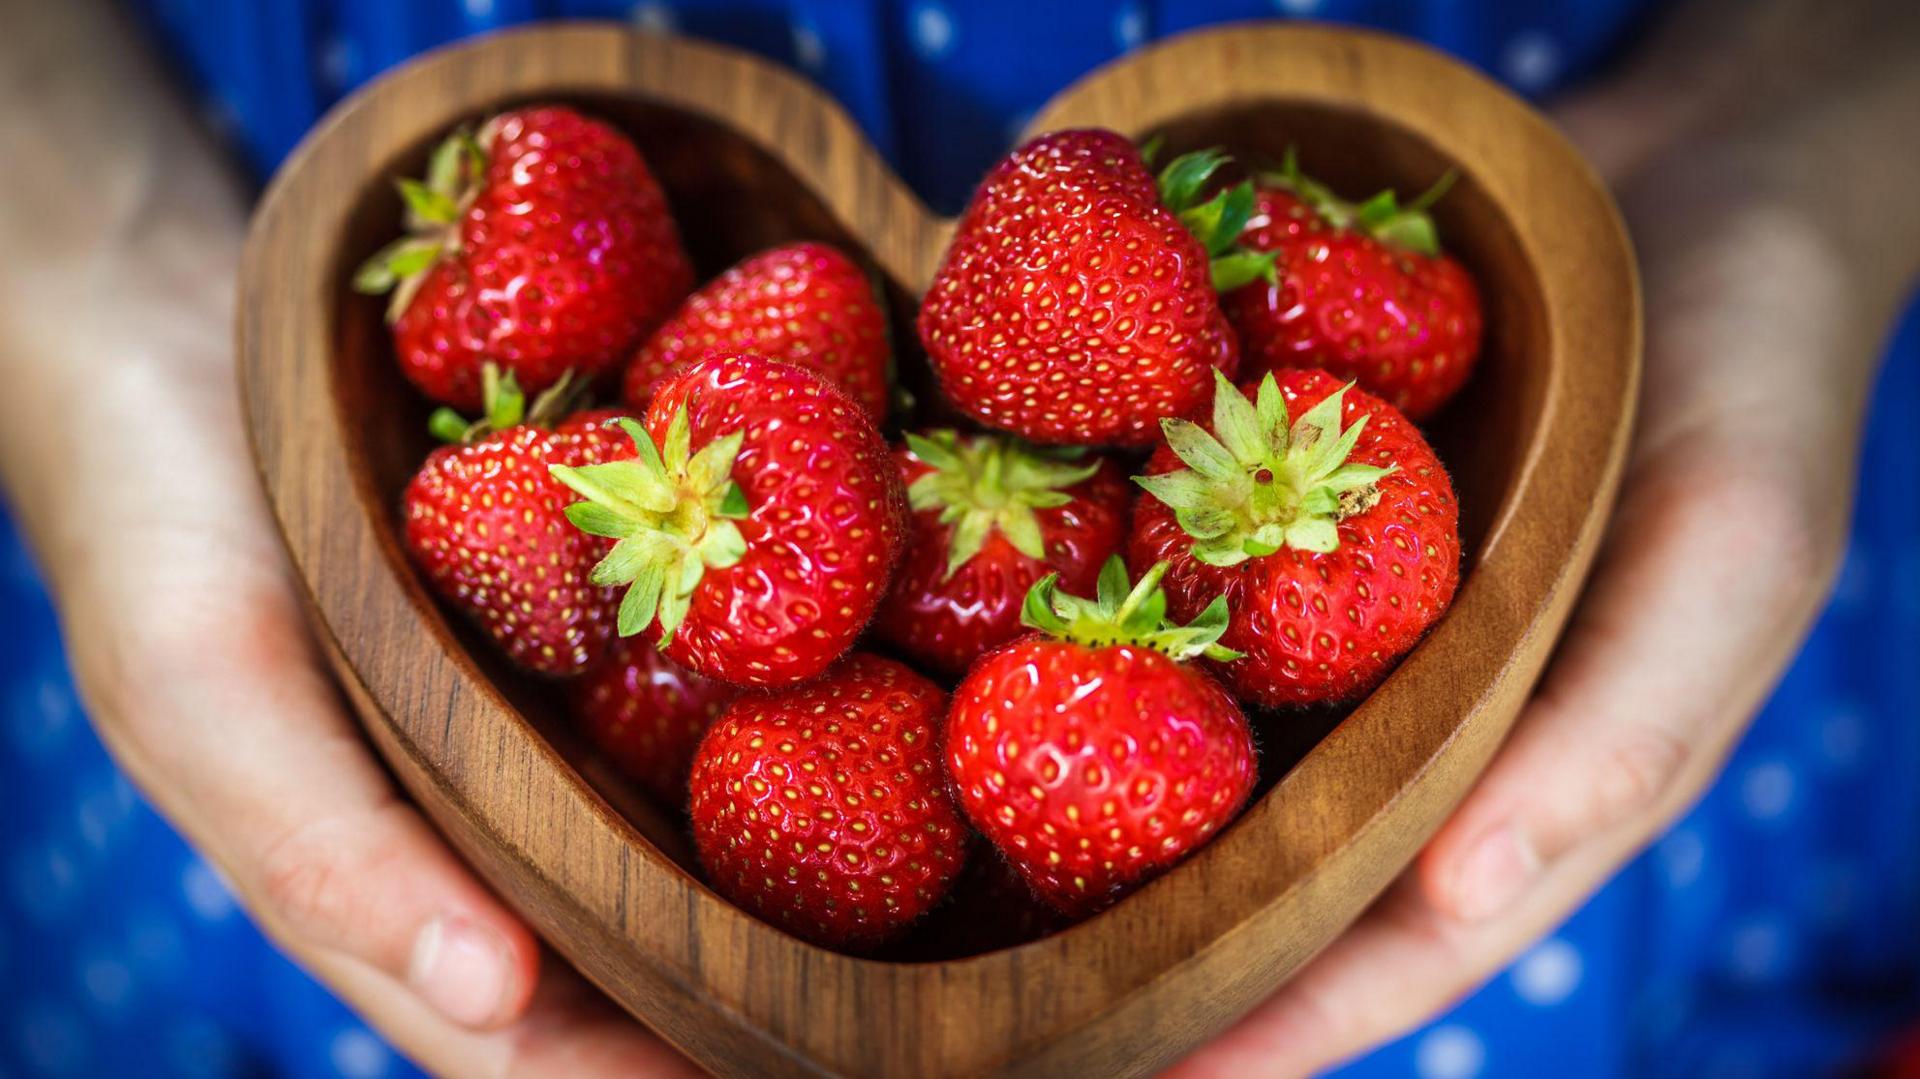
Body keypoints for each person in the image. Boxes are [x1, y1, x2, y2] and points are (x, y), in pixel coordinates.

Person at [1, 0, 1915, 1076]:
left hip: (1636, 532)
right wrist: (74, 257)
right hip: (270, 481)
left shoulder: (1091, 506)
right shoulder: (761, 482)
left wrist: (1814, 129)